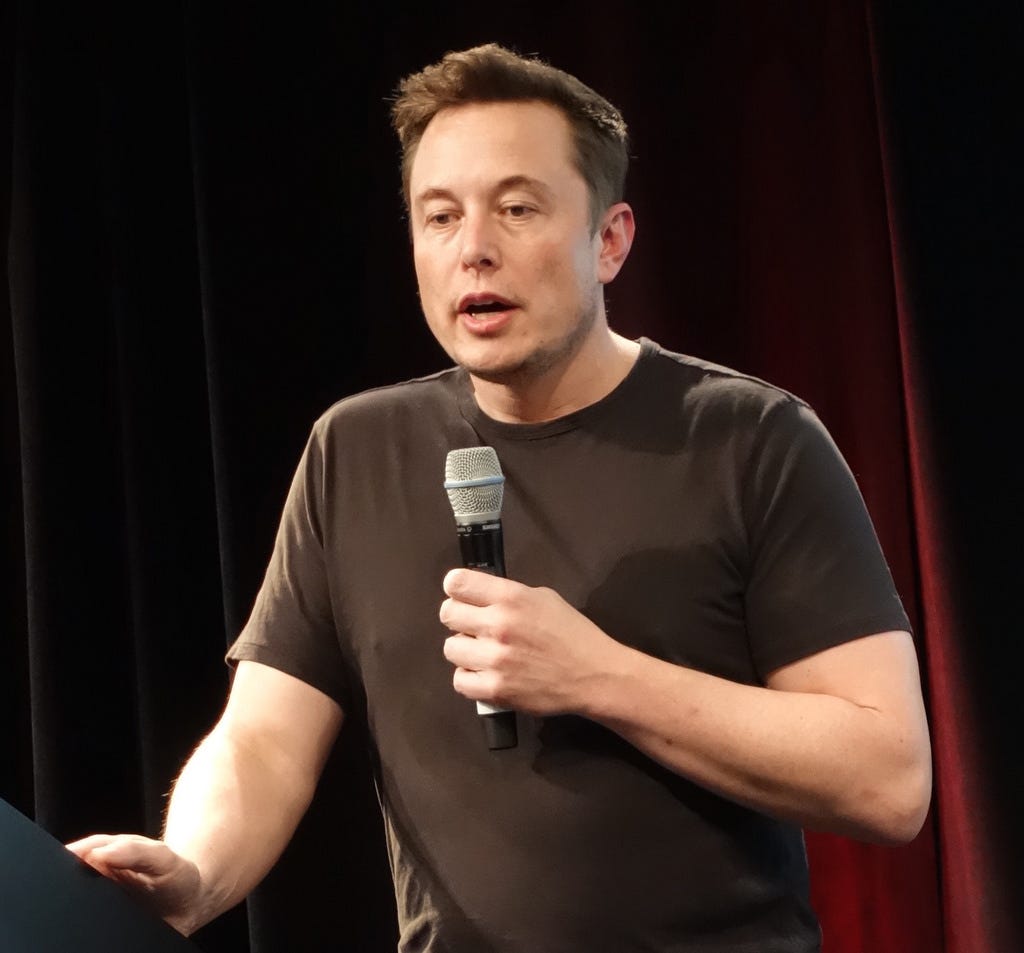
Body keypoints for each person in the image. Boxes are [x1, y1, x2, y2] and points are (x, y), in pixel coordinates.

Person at [68, 43, 932, 952]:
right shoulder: (355, 452)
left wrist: (601, 676)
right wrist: (195, 871)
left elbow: (888, 777)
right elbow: (263, 741)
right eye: (440, 216)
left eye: (517, 208)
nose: (473, 248)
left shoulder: (750, 440)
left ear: (610, 241)